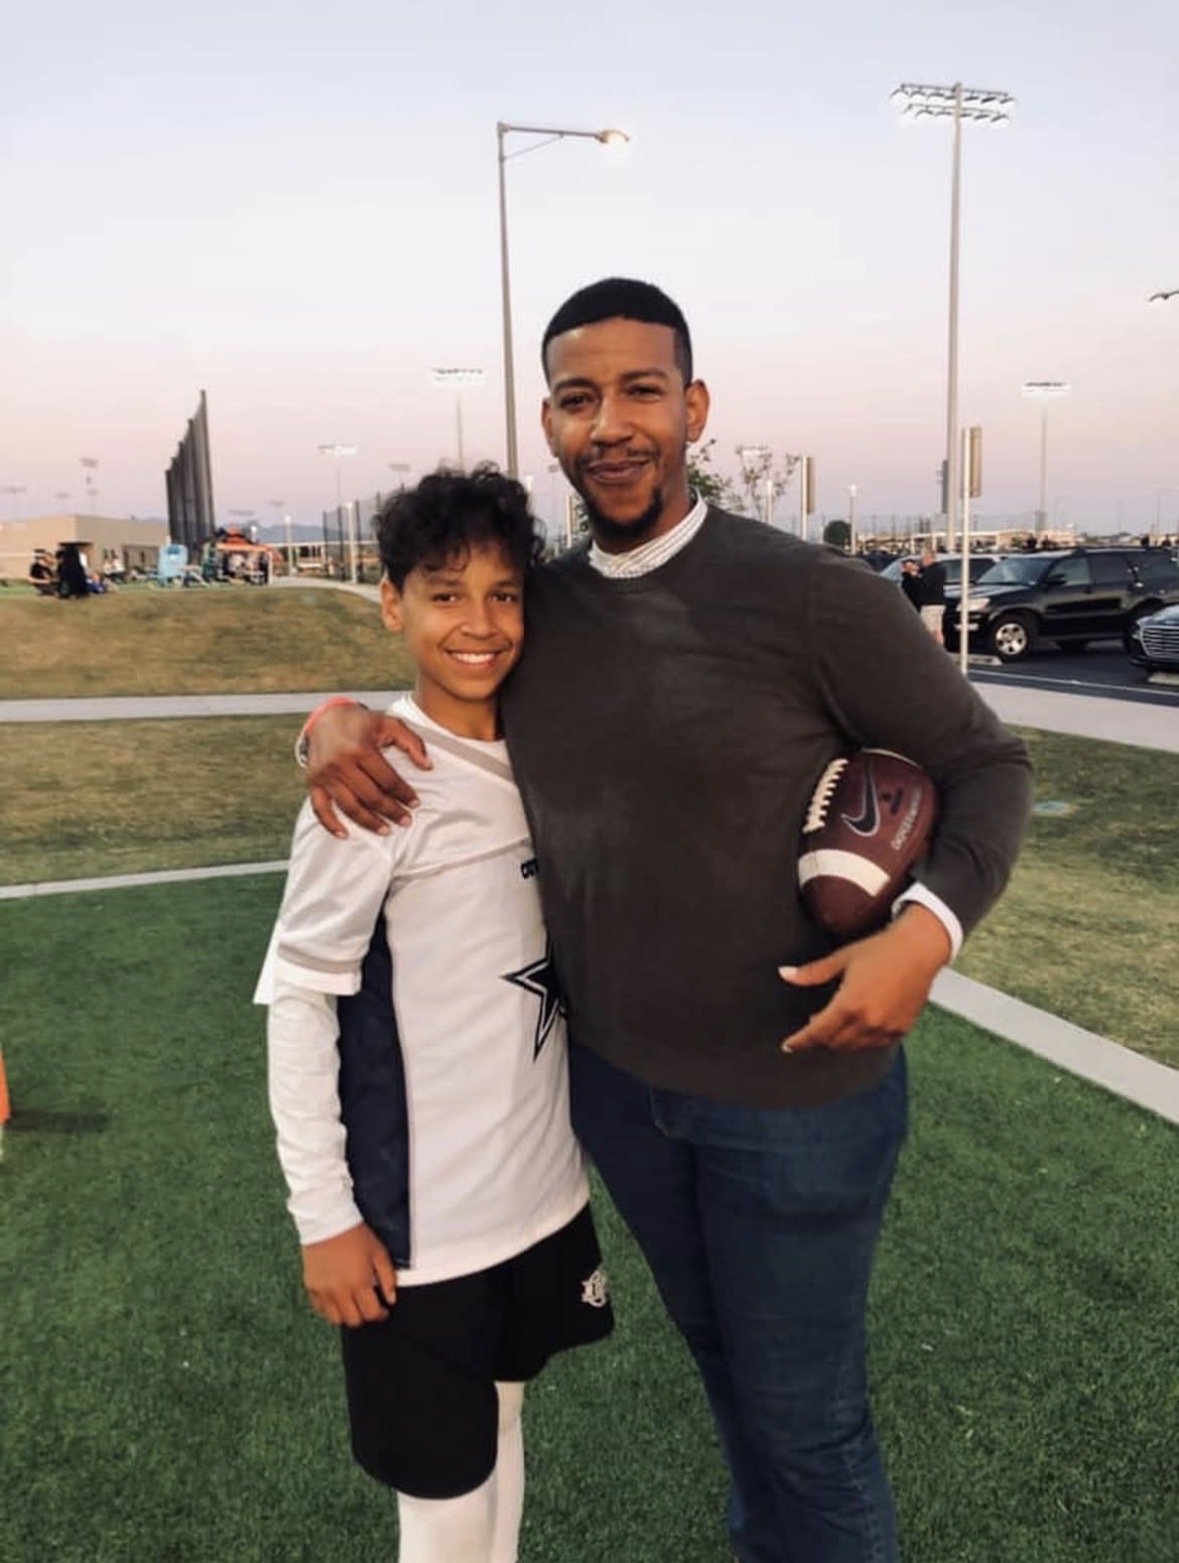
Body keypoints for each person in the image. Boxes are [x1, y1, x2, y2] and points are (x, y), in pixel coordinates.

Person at [300, 278, 1033, 1563]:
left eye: (641, 391)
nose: (611, 424)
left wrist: (926, 933)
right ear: (549, 423)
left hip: (797, 1100)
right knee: (730, 1384)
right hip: (621, 1095)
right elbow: (447, 682)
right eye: (579, 399)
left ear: (694, 408)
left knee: (808, 1425)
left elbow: (988, 766)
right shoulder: (543, 608)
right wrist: (327, 723)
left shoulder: (815, 598)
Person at [257, 466, 613, 1563]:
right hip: (420, 1230)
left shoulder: (549, 749)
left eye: (503, 594)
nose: (479, 623)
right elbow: (300, 1001)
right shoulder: (375, 781)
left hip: (539, 1195)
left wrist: (323, 719)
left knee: (502, 1428)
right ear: (391, 602)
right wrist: (324, 1217)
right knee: (443, 1503)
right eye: (445, 593)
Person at [917, 546, 947, 643]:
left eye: (922, 559)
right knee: (937, 630)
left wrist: (917, 577)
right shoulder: (941, 568)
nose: (921, 561)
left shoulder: (931, 571)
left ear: (928, 557)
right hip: (940, 603)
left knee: (927, 631)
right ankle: (940, 648)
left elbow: (925, 584)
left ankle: (928, 649)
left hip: (929, 604)